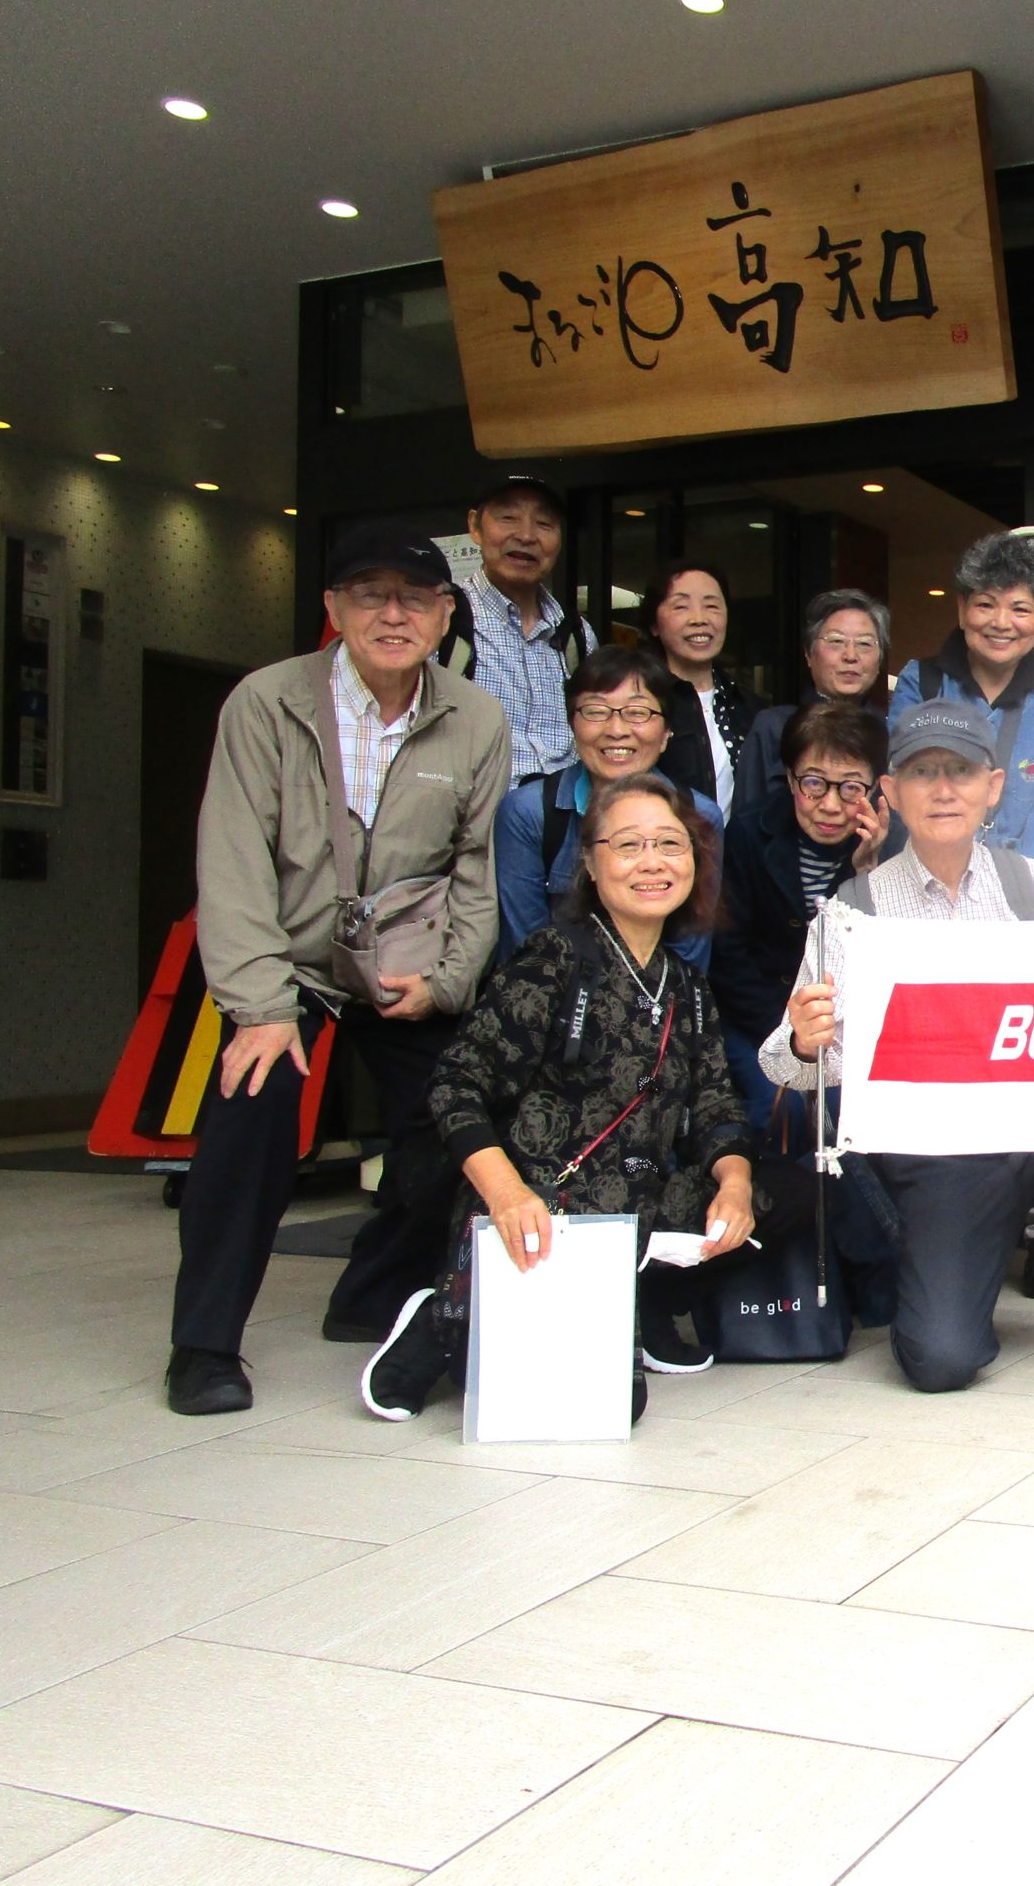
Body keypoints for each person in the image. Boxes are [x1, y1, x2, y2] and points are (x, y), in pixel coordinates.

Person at [164, 523, 507, 1414]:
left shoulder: (474, 716)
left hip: (407, 964)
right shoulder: (266, 703)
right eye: (370, 594)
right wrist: (260, 1006)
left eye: (415, 599)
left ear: (443, 616)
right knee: (249, 1122)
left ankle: (370, 1296)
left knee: (454, 1121)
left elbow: (479, 868)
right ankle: (203, 1346)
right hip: (287, 967)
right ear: (334, 609)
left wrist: (447, 980)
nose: (393, 614)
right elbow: (232, 860)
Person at [766, 700, 1034, 1393]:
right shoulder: (853, 912)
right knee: (941, 1361)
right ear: (892, 793)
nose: (942, 789)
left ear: (993, 787)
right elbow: (785, 1064)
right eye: (922, 772)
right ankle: (950, 1263)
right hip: (938, 1157)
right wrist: (809, 1046)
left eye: (959, 772)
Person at [363, 772, 765, 1420]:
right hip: (544, 1204)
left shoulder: (687, 985)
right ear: (590, 860)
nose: (653, 862)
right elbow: (455, 1084)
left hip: (640, 1205)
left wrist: (736, 1184)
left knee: (776, 1196)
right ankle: (447, 1310)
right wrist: (506, 1193)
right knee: (588, 1401)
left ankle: (644, 1303)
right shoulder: (553, 958)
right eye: (629, 845)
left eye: (670, 844)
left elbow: (717, 1105)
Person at [714, 701, 891, 1127]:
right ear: (790, 778)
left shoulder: (892, 846)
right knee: (787, 1113)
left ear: (874, 789)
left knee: (864, 1118)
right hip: (760, 1020)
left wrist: (865, 871)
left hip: (851, 1032)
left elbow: (885, 963)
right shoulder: (747, 834)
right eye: (813, 783)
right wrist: (788, 1038)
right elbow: (729, 957)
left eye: (850, 787)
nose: (830, 805)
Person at [491, 645, 721, 967]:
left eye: (638, 713)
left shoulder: (700, 817)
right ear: (572, 724)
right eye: (596, 711)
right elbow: (525, 957)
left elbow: (689, 956)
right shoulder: (528, 813)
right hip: (554, 1003)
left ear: (667, 732)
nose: (616, 731)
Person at [890, 534, 1034, 867]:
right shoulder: (921, 683)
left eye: (1019, 609)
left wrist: (1008, 891)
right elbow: (905, 796)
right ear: (962, 609)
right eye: (985, 604)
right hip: (928, 886)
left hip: (1023, 893)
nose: (1001, 622)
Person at [445, 473, 594, 787]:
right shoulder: (442, 622)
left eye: (544, 523)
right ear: (474, 526)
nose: (526, 535)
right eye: (508, 517)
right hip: (477, 827)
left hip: (566, 825)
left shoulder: (577, 634)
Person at [737, 588, 894, 809]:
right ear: (809, 655)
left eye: (865, 644)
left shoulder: (889, 731)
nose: (851, 656)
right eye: (836, 642)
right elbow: (746, 824)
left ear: (879, 661)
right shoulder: (774, 727)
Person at [646, 562, 762, 812]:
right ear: (654, 623)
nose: (699, 619)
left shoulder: (747, 707)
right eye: (681, 606)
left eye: (712, 606)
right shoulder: (641, 703)